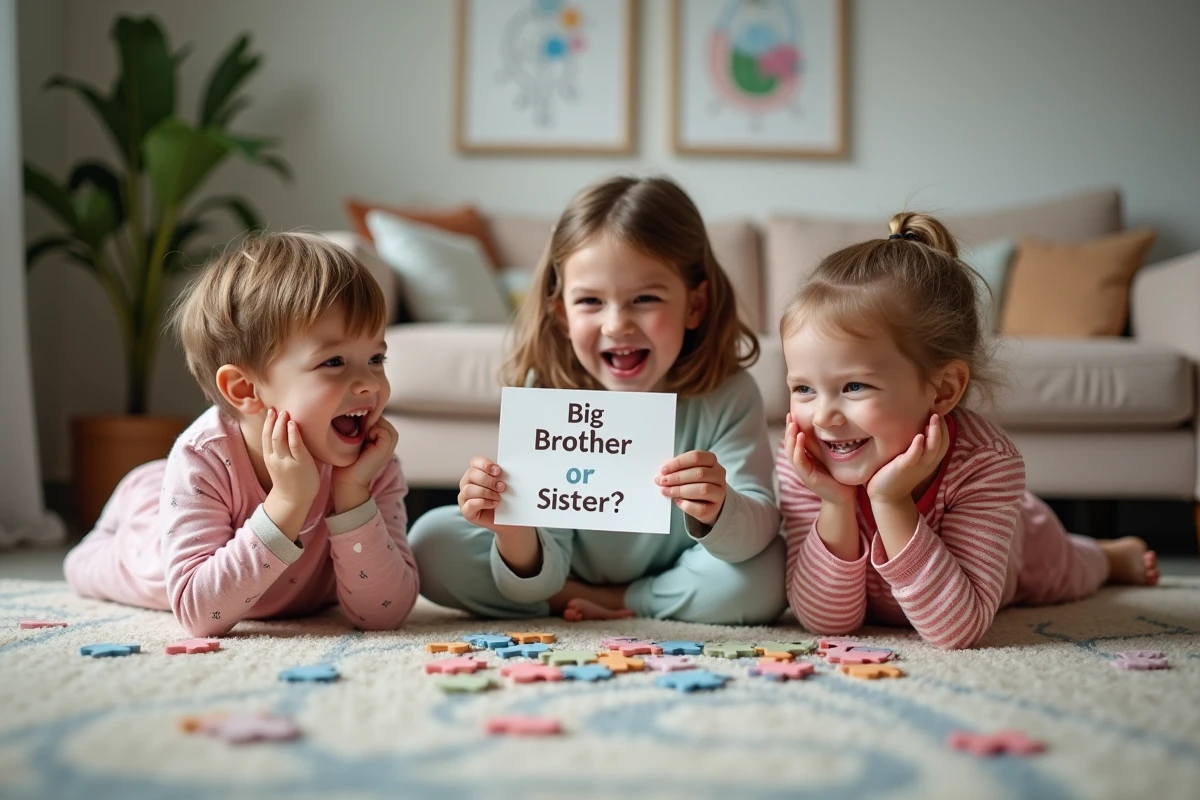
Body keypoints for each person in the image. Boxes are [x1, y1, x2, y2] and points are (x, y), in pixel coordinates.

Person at [409, 176, 785, 624]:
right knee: (431, 541)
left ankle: (627, 599)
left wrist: (722, 507)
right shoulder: (546, 390)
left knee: (770, 570)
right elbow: (535, 560)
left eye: (645, 298)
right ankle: (591, 597)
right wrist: (513, 530)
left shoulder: (728, 392)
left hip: (679, 567)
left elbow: (754, 528)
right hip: (556, 564)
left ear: (695, 305)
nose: (617, 325)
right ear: (562, 313)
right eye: (590, 301)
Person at [778, 212, 1159, 650]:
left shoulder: (987, 465)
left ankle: (1108, 556)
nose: (824, 416)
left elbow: (956, 629)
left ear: (943, 389)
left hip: (1026, 544)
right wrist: (835, 503)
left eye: (854, 386)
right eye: (803, 388)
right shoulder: (806, 459)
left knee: (1069, 572)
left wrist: (890, 499)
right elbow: (826, 621)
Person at [64, 233, 419, 636]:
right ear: (246, 390)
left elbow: (385, 615)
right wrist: (287, 502)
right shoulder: (206, 459)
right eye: (334, 361)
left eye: (376, 358)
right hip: (153, 533)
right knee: (108, 565)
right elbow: (200, 614)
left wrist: (353, 496)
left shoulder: (373, 464)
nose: (369, 384)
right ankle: (143, 495)